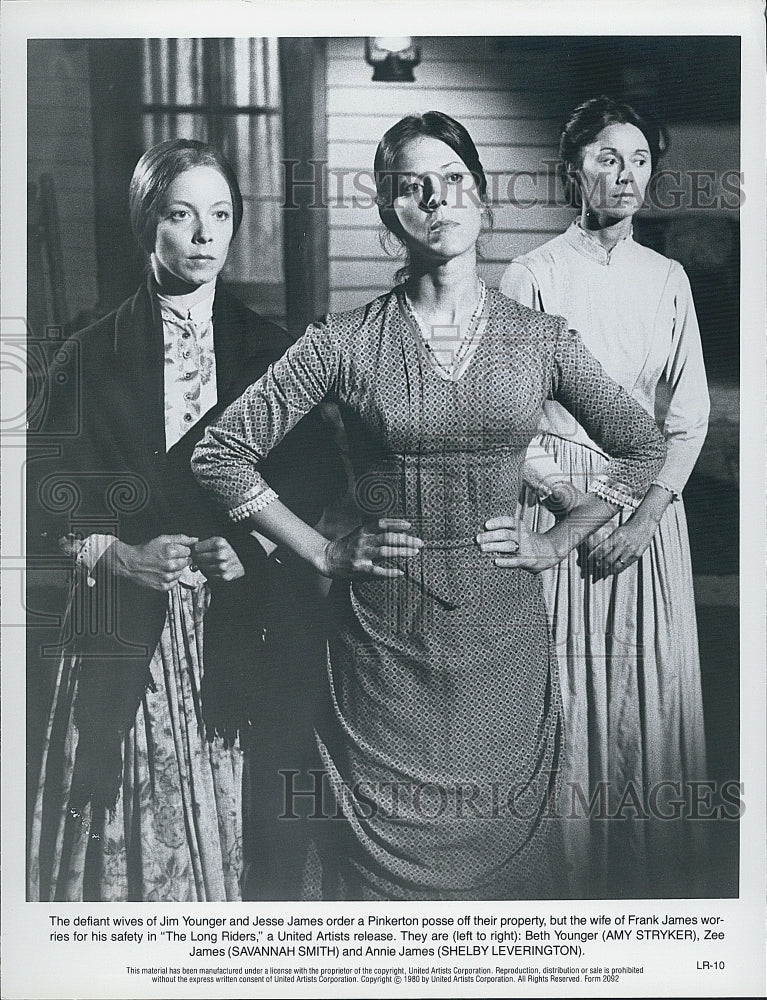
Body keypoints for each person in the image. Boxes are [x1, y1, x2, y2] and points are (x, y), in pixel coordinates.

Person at [192, 111, 666, 901]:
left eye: (452, 182)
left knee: (506, 884)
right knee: (381, 895)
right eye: (412, 189)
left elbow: (642, 446)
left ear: (481, 201)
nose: (435, 200)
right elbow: (220, 452)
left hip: (502, 640)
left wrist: (556, 542)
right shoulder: (341, 341)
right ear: (389, 215)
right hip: (382, 646)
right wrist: (318, 550)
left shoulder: (539, 338)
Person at [27, 138, 341, 901]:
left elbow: (314, 482)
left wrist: (251, 549)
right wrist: (117, 553)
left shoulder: (274, 353)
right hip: (123, 628)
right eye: (181, 214)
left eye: (221, 215)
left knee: (250, 847)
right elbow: (39, 487)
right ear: (147, 225)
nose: (206, 235)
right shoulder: (87, 353)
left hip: (240, 633)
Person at [500, 96, 711, 897]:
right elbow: (508, 420)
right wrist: (573, 509)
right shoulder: (532, 274)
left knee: (641, 698)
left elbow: (685, 419)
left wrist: (644, 513)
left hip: (647, 522)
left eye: (638, 161)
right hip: (557, 513)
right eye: (604, 158)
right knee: (564, 690)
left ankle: (642, 877)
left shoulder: (668, 279)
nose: (623, 176)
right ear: (571, 170)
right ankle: (557, 878)